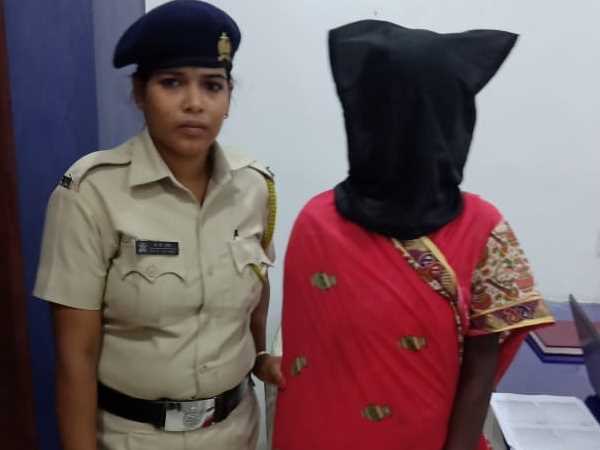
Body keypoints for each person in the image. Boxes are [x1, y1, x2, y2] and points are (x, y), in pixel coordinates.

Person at [272, 20, 555, 450]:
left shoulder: (483, 229)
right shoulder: (318, 223)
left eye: (423, 117)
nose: (404, 136)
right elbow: (308, 366)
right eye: (387, 116)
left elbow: (482, 366)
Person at [33, 1, 283, 449]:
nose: (194, 103)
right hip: (134, 437)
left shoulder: (254, 188)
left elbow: (255, 296)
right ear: (139, 92)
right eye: (172, 83)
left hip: (237, 430)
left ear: (229, 98)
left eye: (212, 85)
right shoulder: (91, 194)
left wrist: (261, 354)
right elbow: (75, 358)